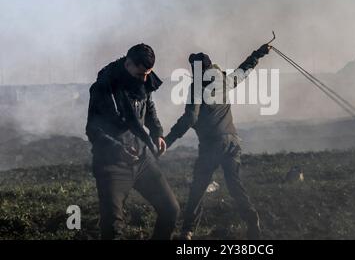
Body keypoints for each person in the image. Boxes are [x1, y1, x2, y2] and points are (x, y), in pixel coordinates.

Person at [164, 43, 272, 240]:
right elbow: (243, 70)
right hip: (232, 142)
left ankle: (187, 231)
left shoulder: (197, 86)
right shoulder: (222, 80)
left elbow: (190, 118)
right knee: (235, 185)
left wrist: (167, 141)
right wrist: (259, 53)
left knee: (198, 187)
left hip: (211, 144)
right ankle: (251, 220)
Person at [86, 43, 180, 240]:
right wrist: (117, 149)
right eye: (140, 74)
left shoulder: (143, 81)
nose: (144, 80)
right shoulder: (104, 88)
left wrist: (157, 133)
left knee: (171, 210)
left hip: (142, 159)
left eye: (147, 74)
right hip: (113, 165)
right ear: (128, 64)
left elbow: (149, 107)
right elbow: (93, 129)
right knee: (112, 231)